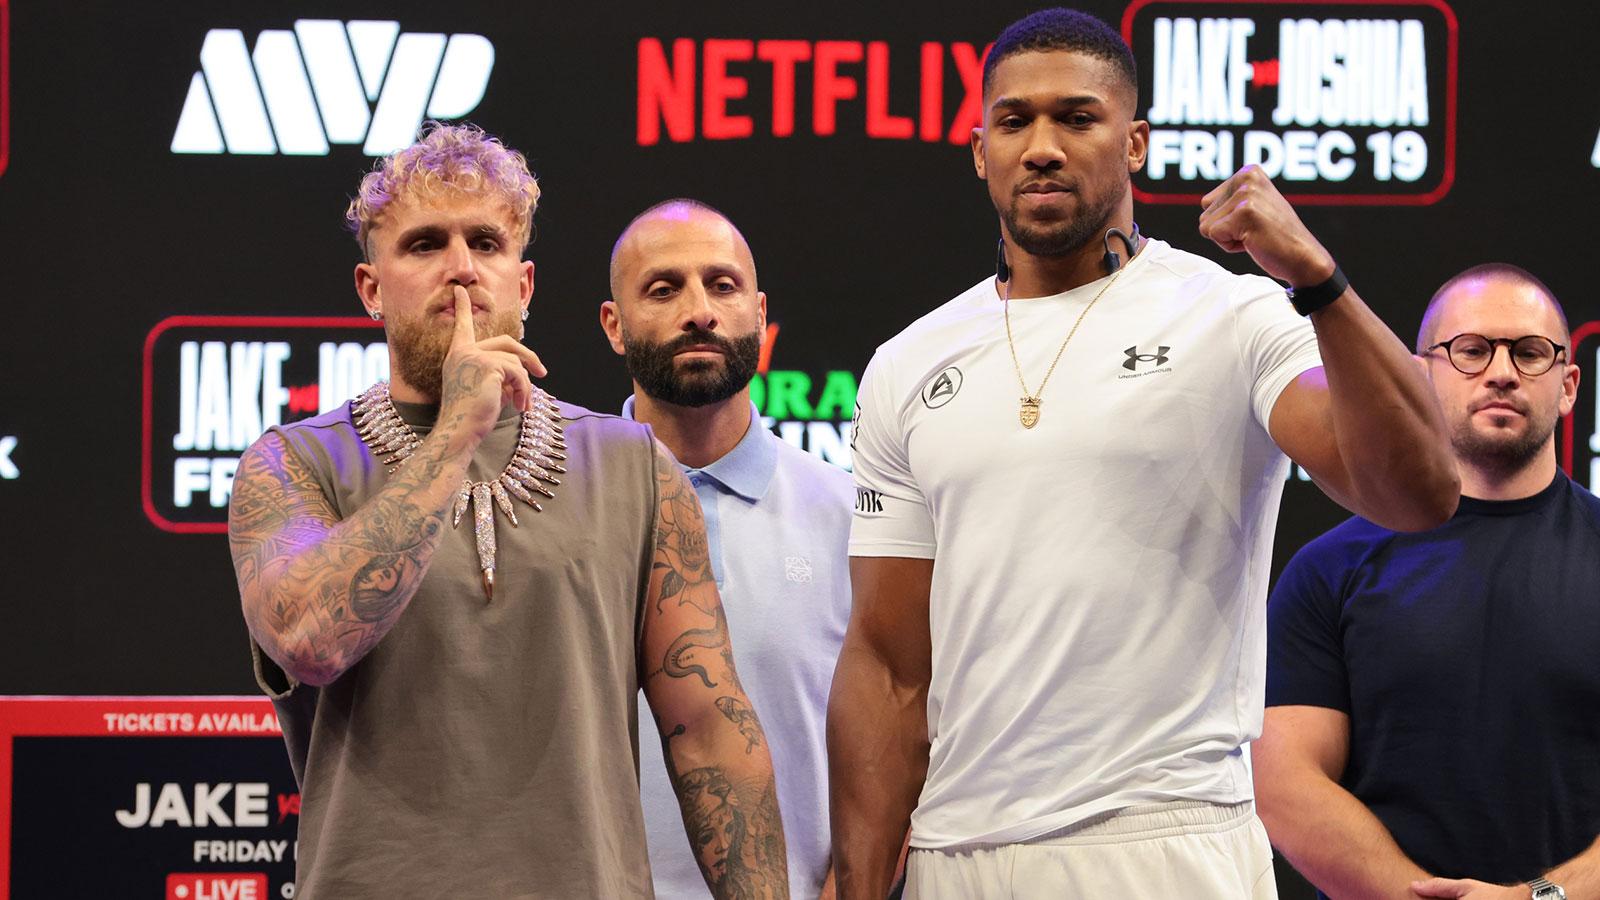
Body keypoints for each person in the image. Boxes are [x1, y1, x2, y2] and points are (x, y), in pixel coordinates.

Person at [826, 8, 1460, 899]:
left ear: (1134, 143)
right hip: (956, 851)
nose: (1042, 145)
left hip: (1165, 839)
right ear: (979, 150)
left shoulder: (1230, 315)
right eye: (1015, 121)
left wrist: (1317, 279)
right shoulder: (908, 363)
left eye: (1077, 119)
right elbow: (889, 665)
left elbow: (1419, 492)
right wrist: (856, 880)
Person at [227, 124, 788, 899]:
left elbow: (710, 733)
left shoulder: (633, 466)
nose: (460, 271)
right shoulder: (292, 463)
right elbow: (308, 641)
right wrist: (456, 432)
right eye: (424, 245)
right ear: (370, 288)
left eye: (485, 242)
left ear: (522, 285)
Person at [1257, 264, 1600, 900]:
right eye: (1470, 351)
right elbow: (1283, 778)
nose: (1502, 372)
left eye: (1529, 353)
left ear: (1570, 384)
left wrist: (1541, 899)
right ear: (1421, 374)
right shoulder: (1329, 570)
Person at [601, 198, 853, 898]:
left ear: (761, 313)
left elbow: (904, 740)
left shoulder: (850, 520)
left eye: (722, 285)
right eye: (663, 288)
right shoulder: (556, 512)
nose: (699, 311)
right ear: (613, 326)